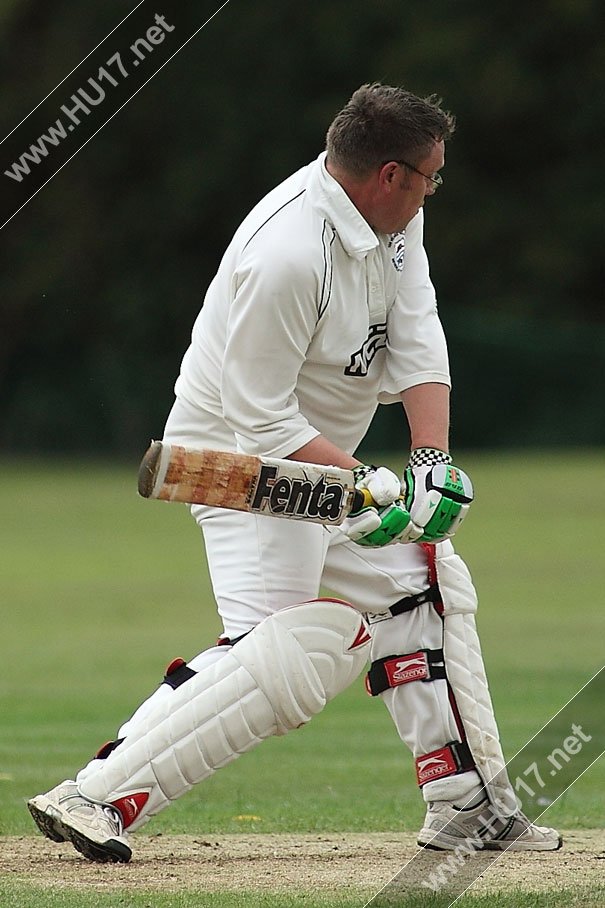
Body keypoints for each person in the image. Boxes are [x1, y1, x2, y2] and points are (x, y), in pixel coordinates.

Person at [28, 83, 561, 863]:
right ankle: (94, 794)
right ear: (389, 174)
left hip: (322, 462)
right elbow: (260, 420)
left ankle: (467, 807)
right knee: (301, 647)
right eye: (429, 177)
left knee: (421, 580)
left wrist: (428, 462)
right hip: (242, 468)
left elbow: (417, 331)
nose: (432, 191)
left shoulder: (395, 222)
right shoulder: (286, 254)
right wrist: (368, 479)